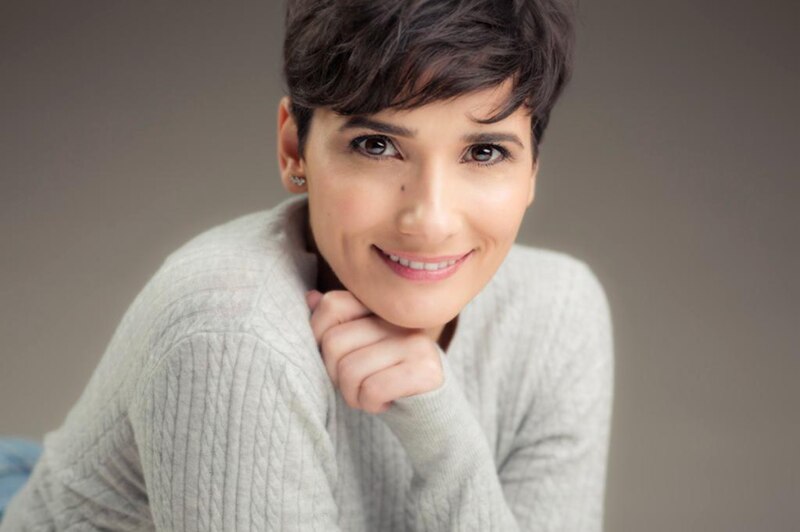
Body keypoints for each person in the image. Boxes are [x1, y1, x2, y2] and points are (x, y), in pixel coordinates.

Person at [1, 0, 614, 530]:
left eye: (484, 152)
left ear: (532, 170)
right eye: (376, 145)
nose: (430, 219)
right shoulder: (231, 335)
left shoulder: (558, 312)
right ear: (294, 148)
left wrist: (445, 437)